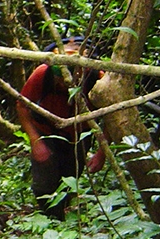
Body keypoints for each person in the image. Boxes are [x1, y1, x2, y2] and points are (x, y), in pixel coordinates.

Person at [16, 36, 106, 220]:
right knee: (44, 183)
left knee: (70, 178)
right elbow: (22, 105)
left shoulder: (98, 78)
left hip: (80, 135)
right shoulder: (43, 73)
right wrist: (36, 141)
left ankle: (62, 213)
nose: (62, 79)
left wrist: (101, 154)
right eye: (59, 74)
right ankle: (49, 217)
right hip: (46, 130)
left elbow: (113, 116)